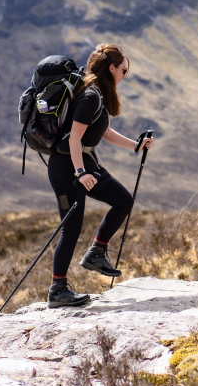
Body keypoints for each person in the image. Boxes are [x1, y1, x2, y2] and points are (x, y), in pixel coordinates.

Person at [46, 43, 154, 308]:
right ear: (111, 68)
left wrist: (135, 145)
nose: (124, 75)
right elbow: (74, 138)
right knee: (70, 228)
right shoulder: (91, 96)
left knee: (123, 201)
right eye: (123, 70)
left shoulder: (97, 96)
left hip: (82, 161)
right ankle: (57, 291)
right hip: (67, 167)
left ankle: (96, 252)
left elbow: (103, 132)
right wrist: (80, 173)